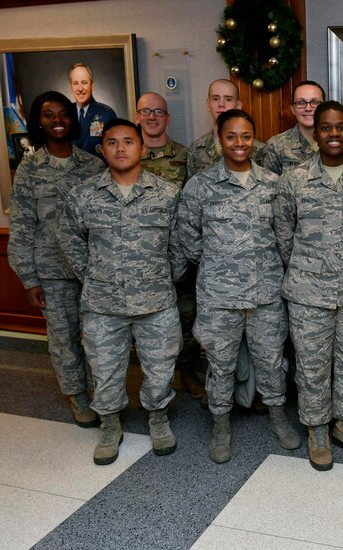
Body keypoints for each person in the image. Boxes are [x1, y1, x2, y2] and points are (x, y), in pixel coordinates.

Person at [59, 119, 187, 465]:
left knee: (160, 367)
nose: (120, 148)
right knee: (106, 368)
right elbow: (71, 243)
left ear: (142, 148)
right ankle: (110, 424)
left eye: (128, 141)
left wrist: (161, 277)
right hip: (103, 303)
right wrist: (95, 277)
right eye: (112, 142)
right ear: (102, 150)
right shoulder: (83, 195)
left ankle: (158, 418)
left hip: (156, 301)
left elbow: (179, 245)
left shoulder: (166, 194)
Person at [177, 109, 299, 464]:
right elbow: (189, 239)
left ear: (254, 139)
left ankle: (278, 418)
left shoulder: (274, 184)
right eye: (231, 136)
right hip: (219, 296)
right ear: (220, 138)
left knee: (272, 362)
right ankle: (220, 425)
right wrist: (222, 264)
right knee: (220, 364)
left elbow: (285, 236)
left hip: (267, 294)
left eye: (246, 136)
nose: (239, 144)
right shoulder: (200, 185)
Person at [274, 101, 343, 471]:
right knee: (312, 366)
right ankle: (317, 429)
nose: (335, 134)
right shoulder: (294, 180)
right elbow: (284, 234)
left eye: (342, 127)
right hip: (308, 293)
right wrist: (308, 270)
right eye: (327, 128)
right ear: (315, 133)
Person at [7, 91, 104, 428]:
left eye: (64, 114)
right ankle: (78, 399)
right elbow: (21, 226)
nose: (58, 120)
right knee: (64, 340)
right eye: (49, 115)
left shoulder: (92, 165)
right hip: (52, 272)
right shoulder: (30, 170)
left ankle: (101, 395)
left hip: (92, 271)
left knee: (97, 337)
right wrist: (28, 278)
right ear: (38, 121)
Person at [135, 92, 205, 401]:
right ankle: (151, 385)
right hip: (139, 256)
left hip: (178, 253)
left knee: (186, 316)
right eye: (146, 111)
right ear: (137, 115)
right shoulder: (126, 152)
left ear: (167, 117)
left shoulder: (184, 154)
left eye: (158, 112)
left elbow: (193, 205)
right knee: (145, 324)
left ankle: (187, 372)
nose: (152, 117)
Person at [186, 79, 263, 179]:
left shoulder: (258, 149)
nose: (221, 104)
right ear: (208, 104)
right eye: (215, 99)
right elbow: (192, 189)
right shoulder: (196, 149)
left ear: (238, 105)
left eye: (228, 99)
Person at [261, 81, 325, 175]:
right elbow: (267, 186)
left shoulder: (337, 141)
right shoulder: (276, 146)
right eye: (301, 102)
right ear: (293, 109)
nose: (308, 108)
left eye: (315, 102)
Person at [69, 63, 117, 160]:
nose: (80, 88)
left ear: (92, 85)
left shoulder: (106, 114)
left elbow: (115, 150)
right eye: (75, 83)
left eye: (84, 82)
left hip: (100, 173)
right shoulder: (65, 113)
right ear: (71, 86)